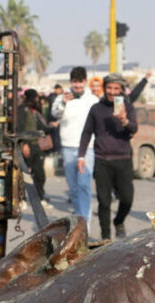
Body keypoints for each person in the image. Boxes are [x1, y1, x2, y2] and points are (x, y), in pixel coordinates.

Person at [79, 73, 138, 240]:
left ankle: (119, 221)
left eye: (116, 88)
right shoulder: (96, 109)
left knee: (127, 199)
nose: (112, 92)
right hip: (102, 160)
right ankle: (105, 238)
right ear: (105, 89)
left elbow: (134, 129)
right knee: (104, 202)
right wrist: (81, 156)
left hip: (123, 160)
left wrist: (125, 120)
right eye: (109, 88)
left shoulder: (127, 107)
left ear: (121, 90)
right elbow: (87, 132)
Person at [51, 66, 99, 226]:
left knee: (84, 185)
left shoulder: (93, 100)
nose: (77, 86)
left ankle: (85, 224)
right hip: (68, 147)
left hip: (87, 149)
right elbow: (54, 114)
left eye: (80, 83)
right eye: (74, 83)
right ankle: (79, 219)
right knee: (73, 188)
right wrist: (64, 103)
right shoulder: (61, 98)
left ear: (85, 82)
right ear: (71, 82)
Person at [17, 88, 51, 204]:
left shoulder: (35, 110)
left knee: (40, 174)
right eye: (35, 97)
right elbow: (20, 128)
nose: (37, 100)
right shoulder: (22, 110)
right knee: (24, 174)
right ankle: (22, 199)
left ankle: (40, 197)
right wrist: (24, 144)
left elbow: (42, 127)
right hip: (28, 145)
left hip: (38, 146)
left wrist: (51, 126)